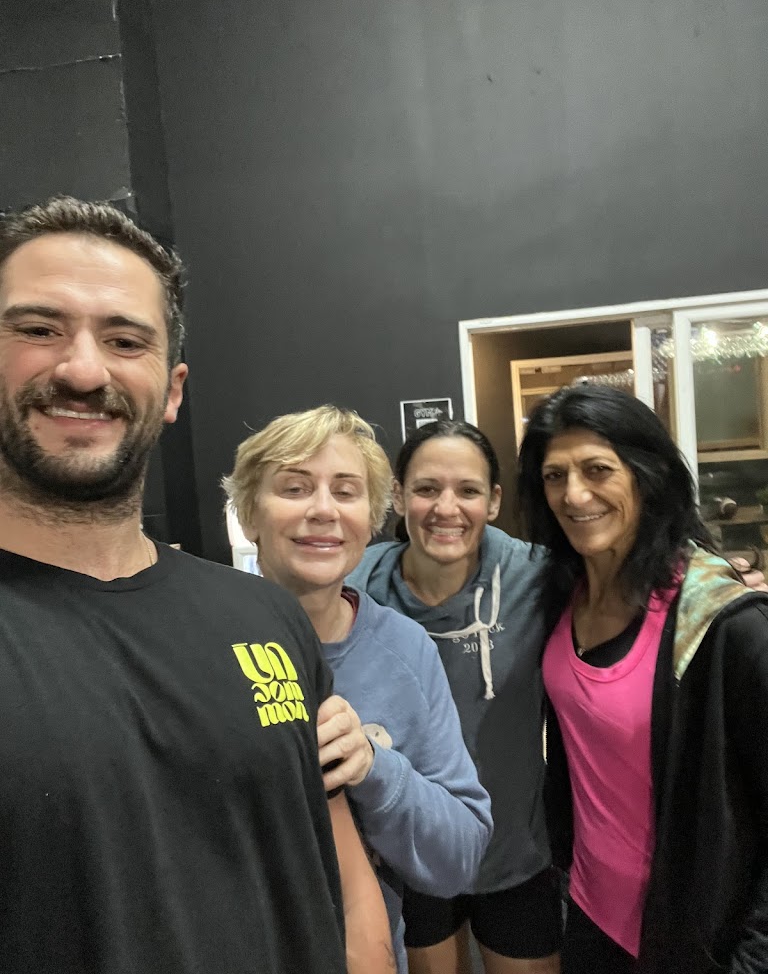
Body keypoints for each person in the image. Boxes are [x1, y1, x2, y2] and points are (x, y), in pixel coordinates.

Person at [0, 196, 393, 974]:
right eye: (40, 329)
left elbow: (347, 893)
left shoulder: (266, 618)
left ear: (173, 389)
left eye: (125, 340)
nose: (83, 370)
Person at [223, 406, 494, 974]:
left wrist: (374, 767)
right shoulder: (198, 641)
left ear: (370, 520)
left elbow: (460, 854)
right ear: (248, 514)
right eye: (295, 488)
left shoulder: (406, 648)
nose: (323, 509)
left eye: (346, 492)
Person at [517, 383, 768, 974]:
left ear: (646, 476)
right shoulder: (561, 591)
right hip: (588, 913)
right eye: (555, 476)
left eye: (597, 470)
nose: (574, 494)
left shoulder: (727, 625)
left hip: (691, 937)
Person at [348, 419, 562, 974]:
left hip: (514, 853)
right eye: (427, 489)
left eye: (467, 490)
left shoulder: (537, 576)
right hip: (409, 853)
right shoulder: (355, 583)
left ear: (493, 501)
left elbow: (630, 576)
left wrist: (715, 581)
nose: (447, 508)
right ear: (399, 496)